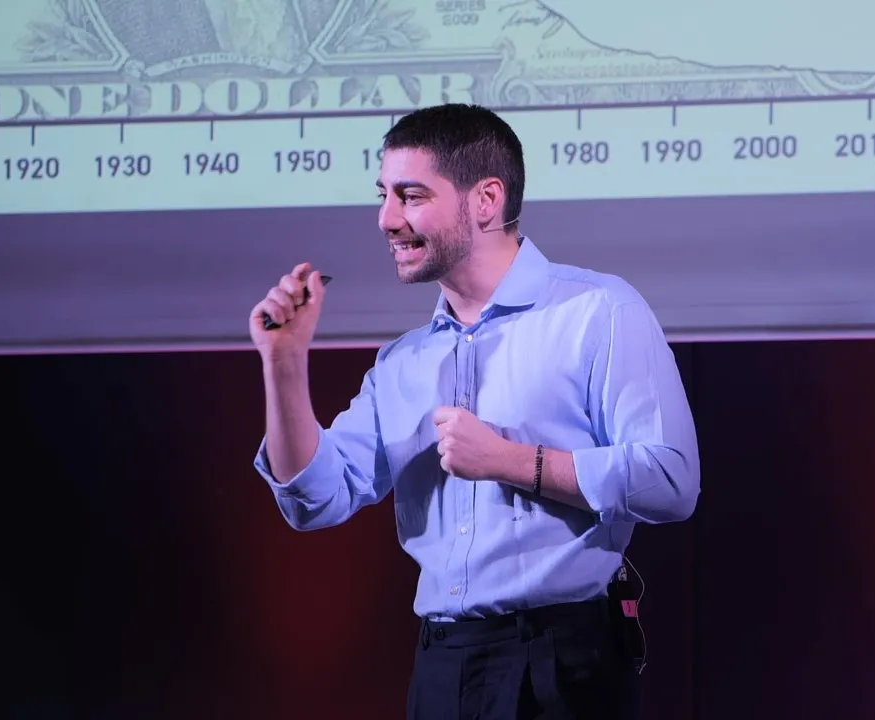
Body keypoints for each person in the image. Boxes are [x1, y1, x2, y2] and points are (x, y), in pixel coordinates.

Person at [248, 103, 700, 719]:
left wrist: (511, 461)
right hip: (443, 666)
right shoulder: (403, 361)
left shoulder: (597, 312)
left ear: (486, 200)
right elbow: (315, 499)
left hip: (565, 662)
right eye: (383, 195)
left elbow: (671, 481)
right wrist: (283, 364)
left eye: (410, 196)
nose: (386, 219)